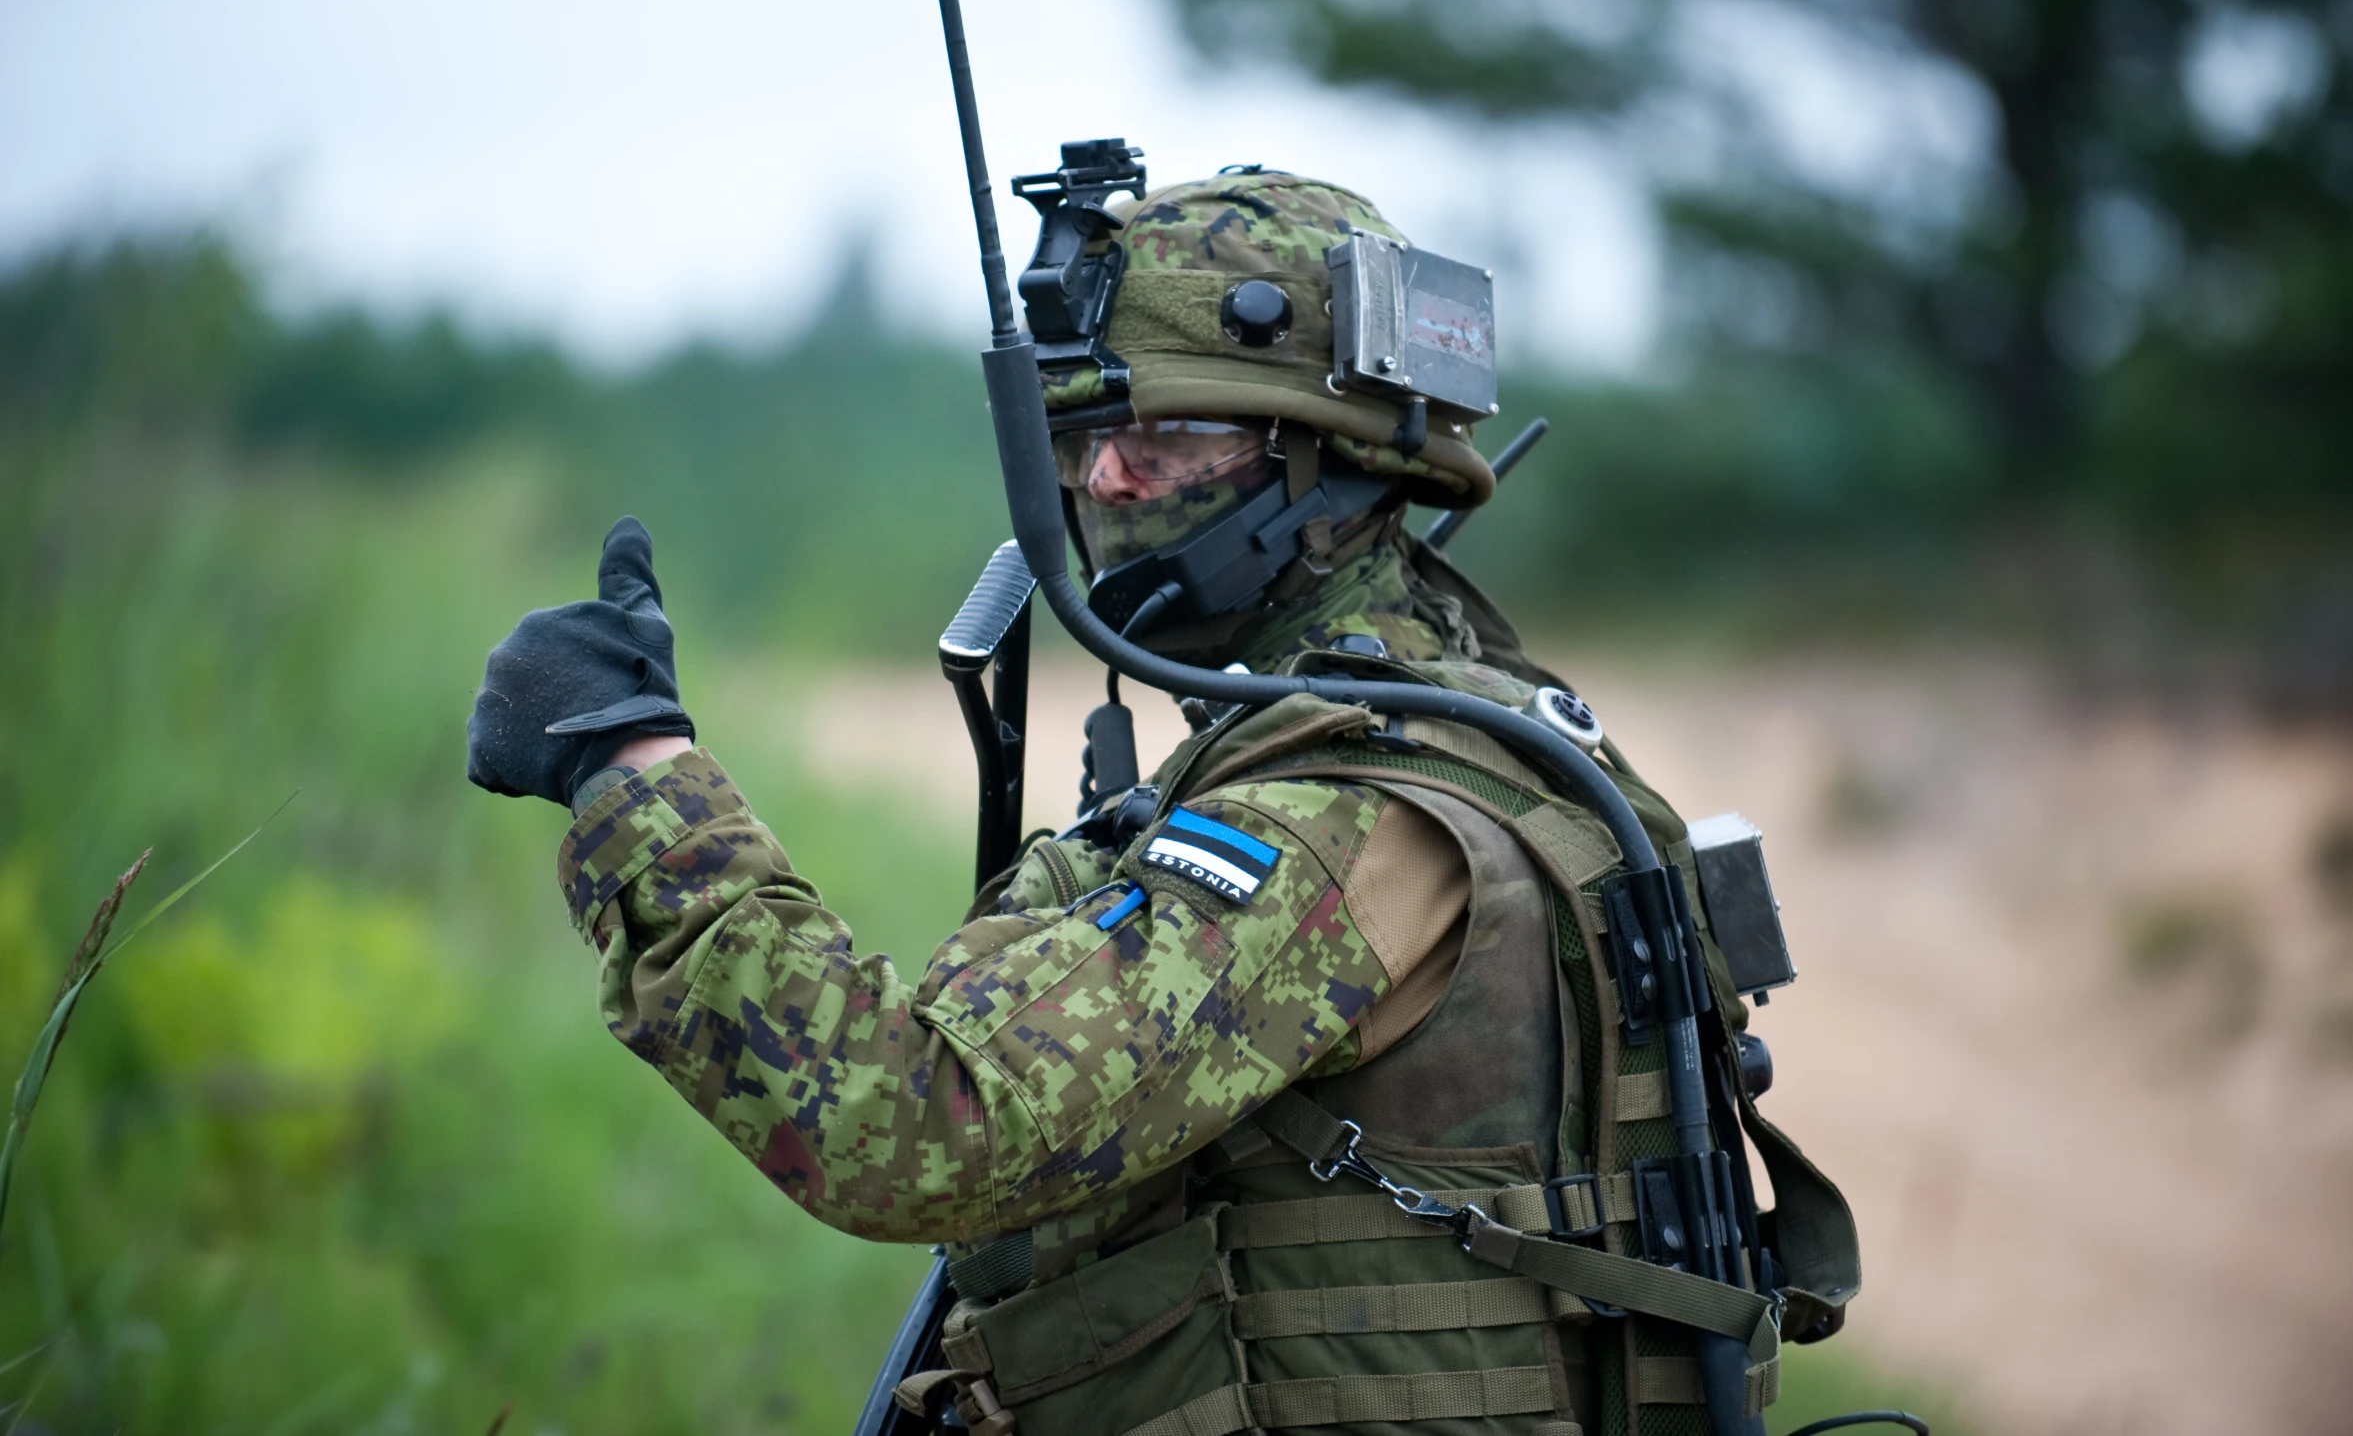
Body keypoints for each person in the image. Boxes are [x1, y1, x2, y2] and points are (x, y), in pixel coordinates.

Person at [467, 171, 1854, 1436]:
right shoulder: (1497, 722)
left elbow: (919, 1123)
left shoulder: (1345, 813)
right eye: (1090, 434)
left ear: (1332, 454)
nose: (1108, 479)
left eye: (1172, 433)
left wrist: (632, 765)